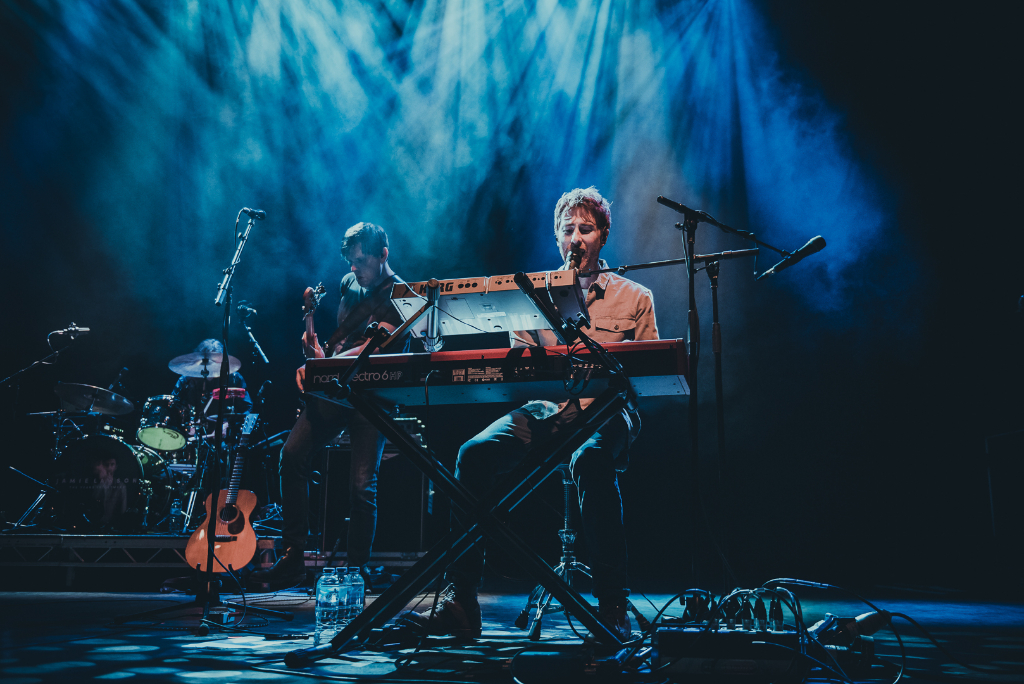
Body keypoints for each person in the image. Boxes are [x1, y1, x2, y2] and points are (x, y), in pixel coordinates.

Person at [403, 187, 658, 640]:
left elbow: (649, 376)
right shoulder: (532, 295)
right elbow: (522, 372)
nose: (575, 238)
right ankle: (462, 601)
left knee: (590, 458)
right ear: (557, 238)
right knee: (472, 453)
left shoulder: (636, 296)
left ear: (603, 235)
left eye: (585, 229)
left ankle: (612, 605)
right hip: (545, 410)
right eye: (567, 230)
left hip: (605, 412)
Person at [251, 222, 408, 587]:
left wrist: (322, 368)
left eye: (361, 261)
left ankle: (356, 570)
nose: (354, 268)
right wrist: (315, 351)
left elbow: (372, 350)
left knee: (362, 488)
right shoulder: (348, 283)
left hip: (372, 398)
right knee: (291, 456)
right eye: (350, 261)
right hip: (336, 390)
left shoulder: (400, 296)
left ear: (383, 255)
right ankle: (293, 556)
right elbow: (340, 345)